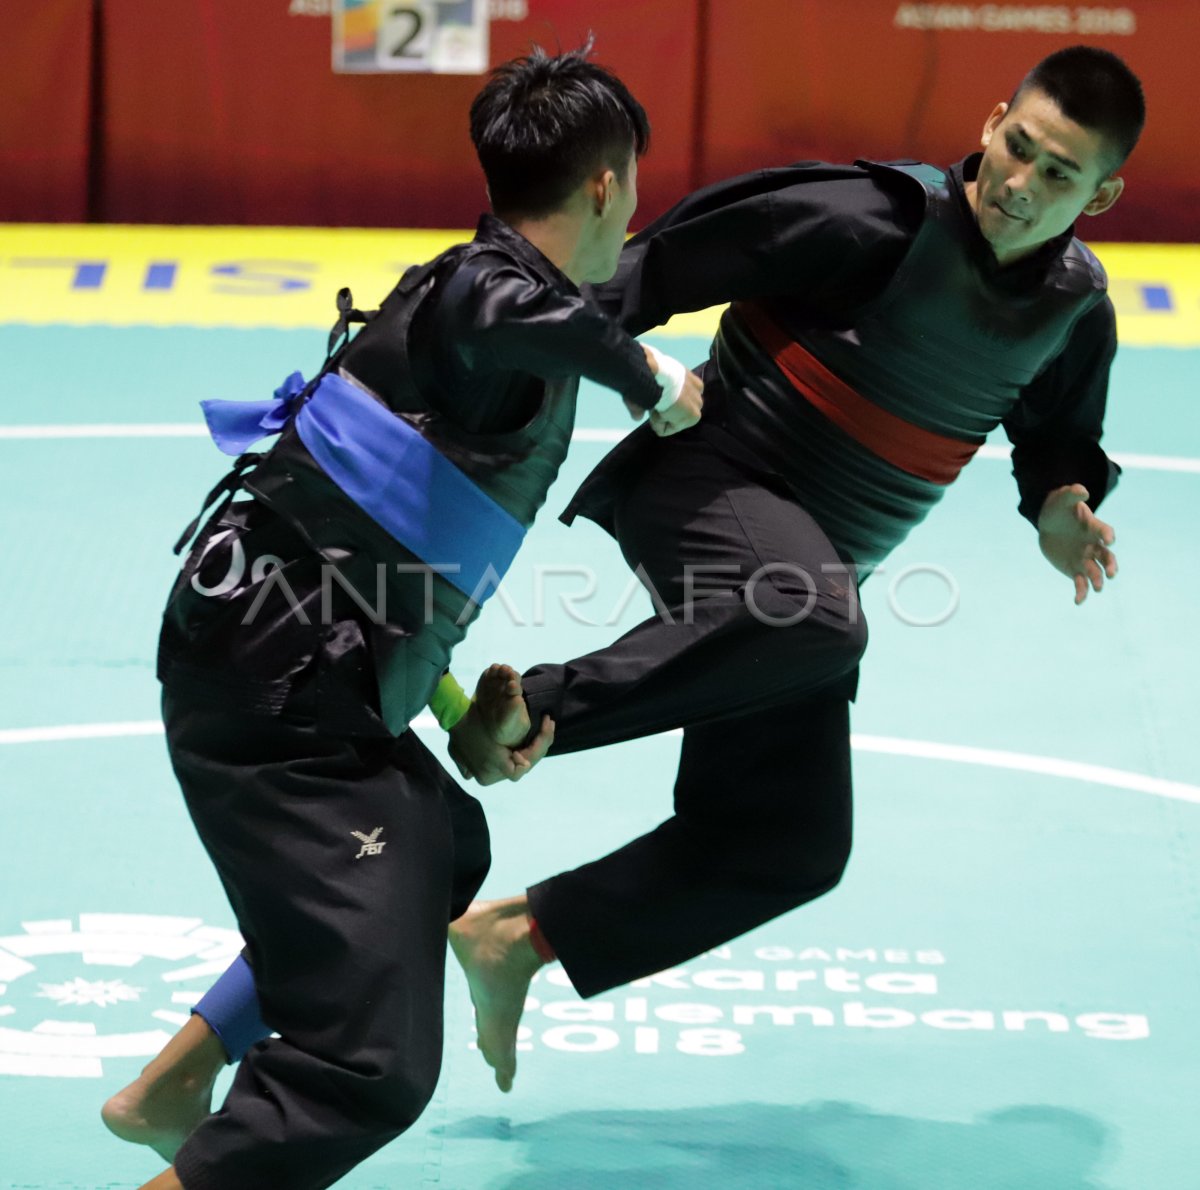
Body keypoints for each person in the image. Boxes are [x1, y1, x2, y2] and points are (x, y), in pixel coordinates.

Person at [108, 40, 1143, 1131]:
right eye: (1016, 148)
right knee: (817, 615)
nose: (1021, 186)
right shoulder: (864, 216)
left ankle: (515, 937)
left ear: (1103, 195)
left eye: (1058, 175)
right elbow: (643, 271)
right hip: (708, 482)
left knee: (785, 841)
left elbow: (1056, 432)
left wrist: (1061, 506)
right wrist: (526, 361)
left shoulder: (1077, 307)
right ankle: (531, 710)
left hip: (794, 592)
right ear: (989, 122)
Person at [107, 44, 703, 1190]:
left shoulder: (457, 300)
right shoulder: (486, 295)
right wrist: (647, 375)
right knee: (370, 1067)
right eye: (630, 180)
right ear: (606, 186)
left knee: (443, 835)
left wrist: (444, 700)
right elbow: (523, 307)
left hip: (284, 653)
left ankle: (174, 1081)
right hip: (274, 691)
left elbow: (376, 539)